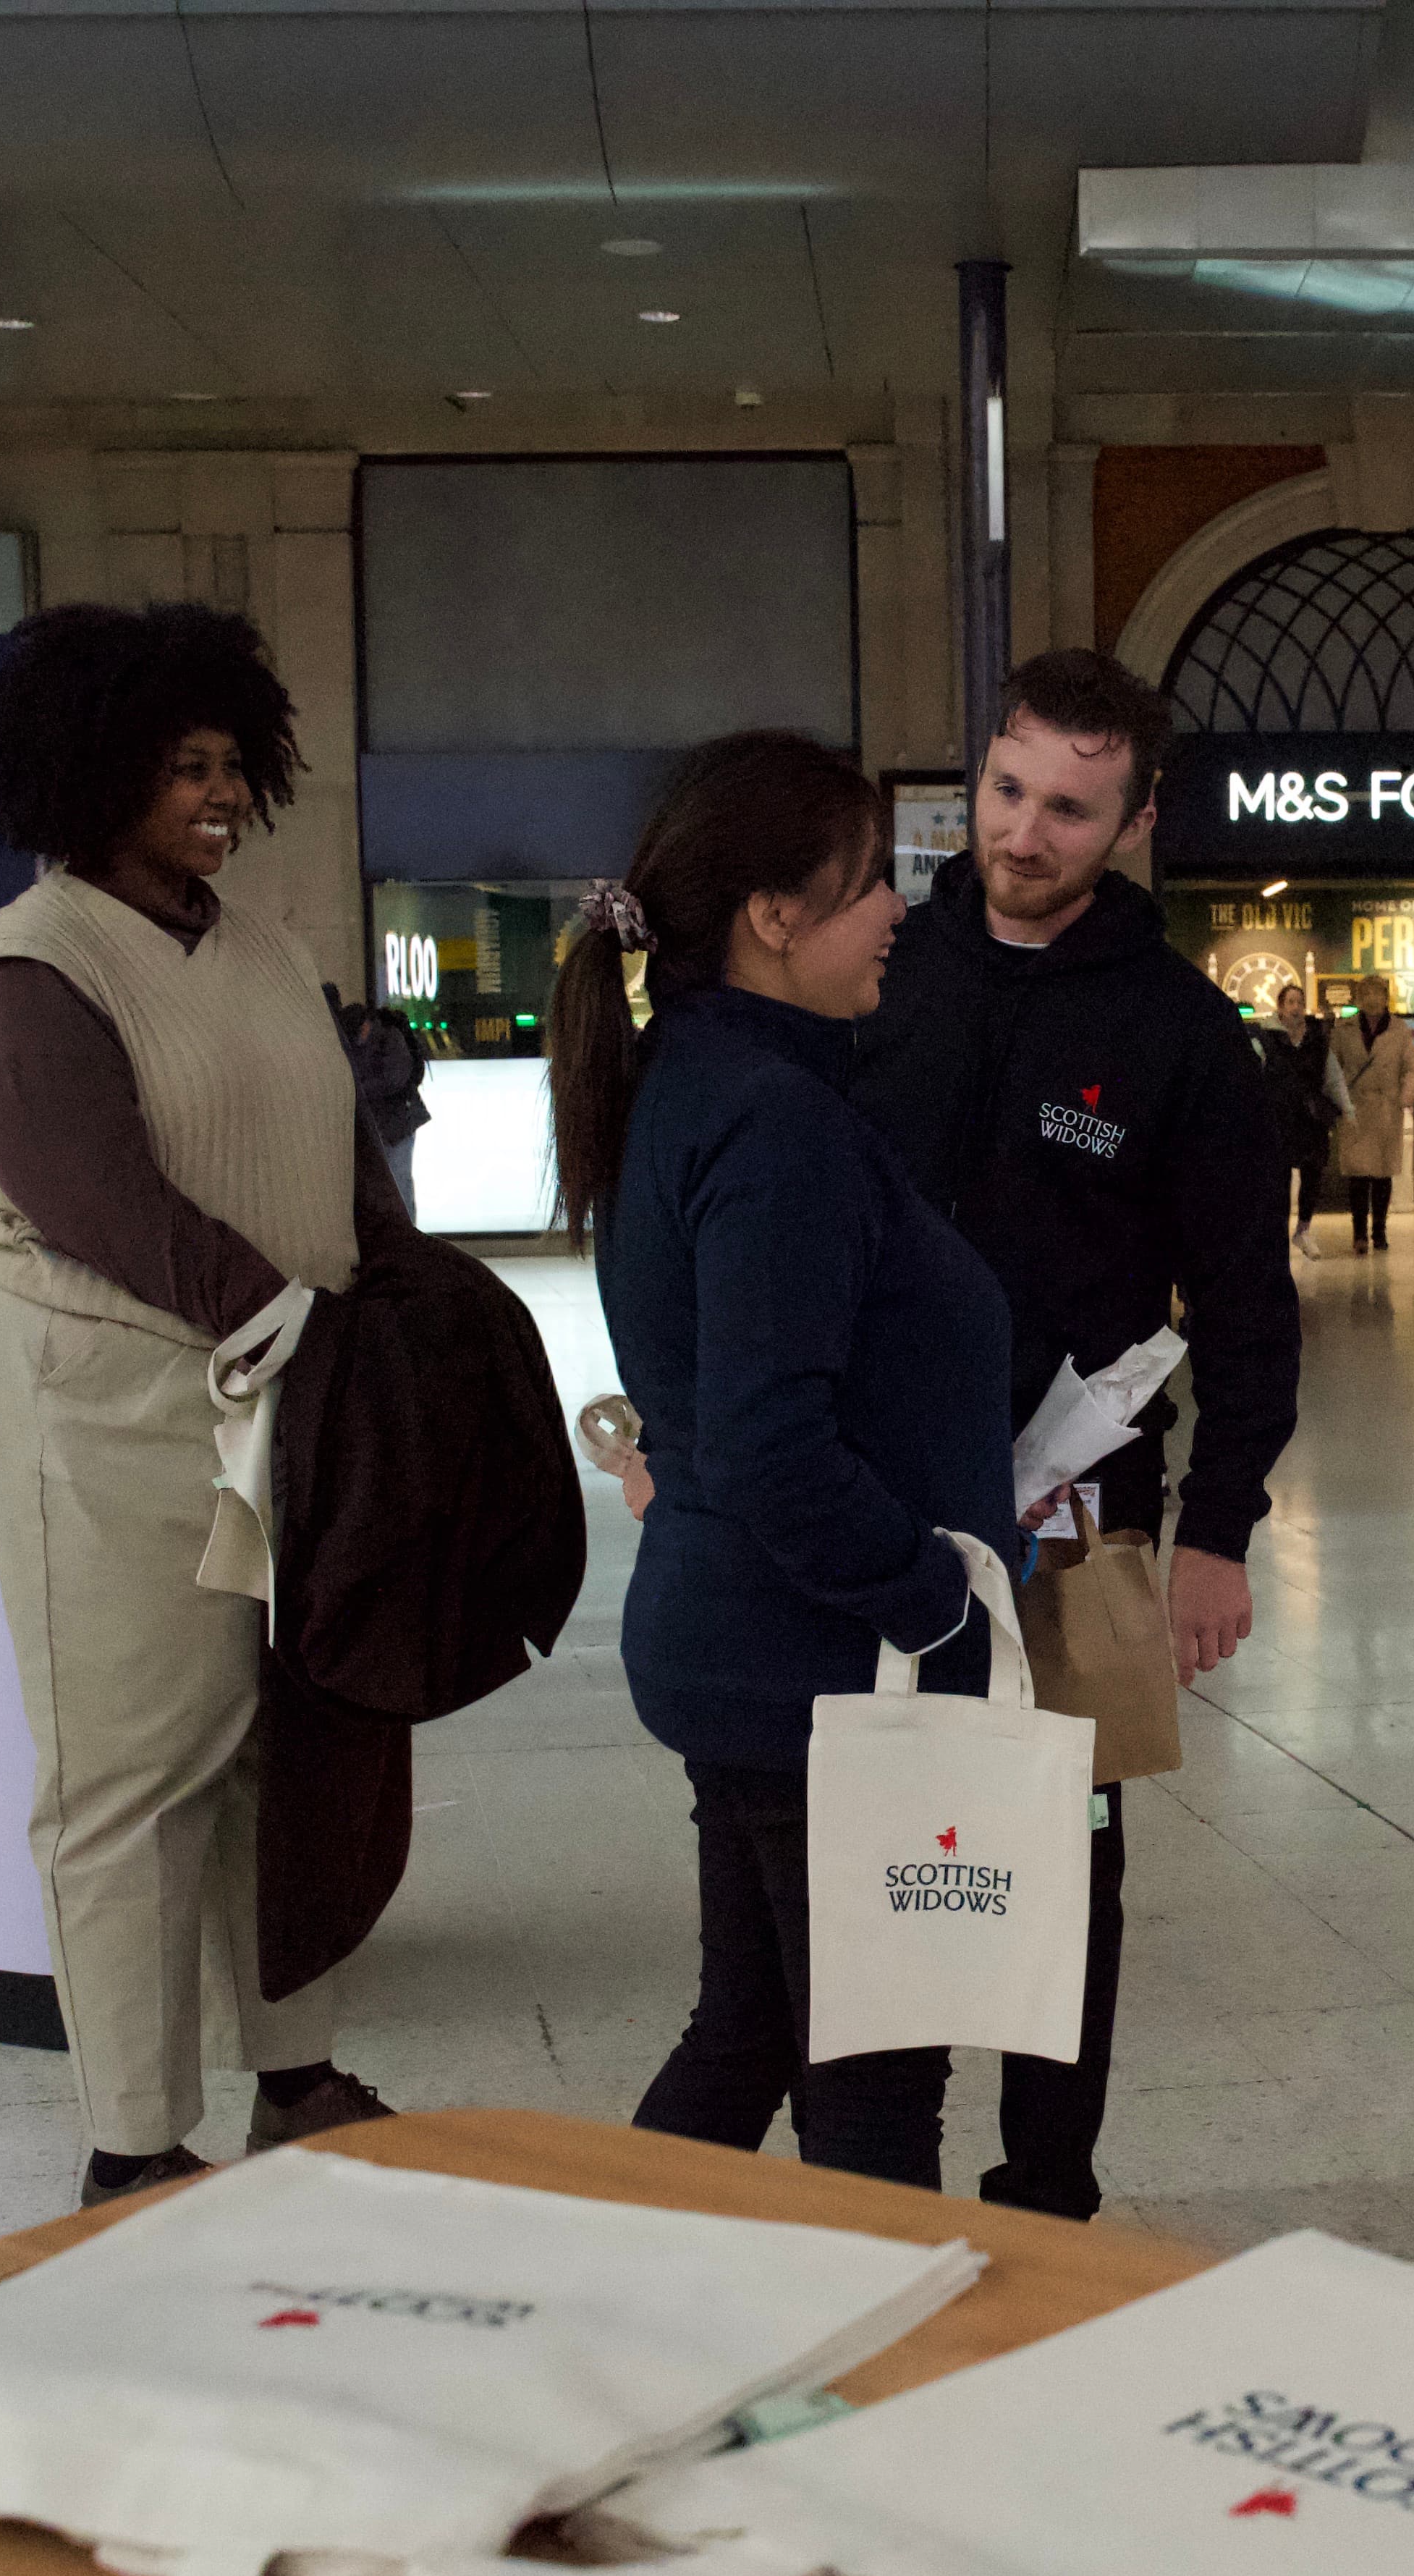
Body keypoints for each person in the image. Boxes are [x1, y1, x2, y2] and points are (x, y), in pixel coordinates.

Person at [0, 601, 411, 2205]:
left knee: (289, 1748)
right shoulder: (33, 966)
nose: (218, 796)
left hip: (285, 1403)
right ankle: (134, 2135)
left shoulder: (260, 945)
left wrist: (390, 1294)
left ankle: (297, 2071)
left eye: (230, 765)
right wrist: (285, 1312)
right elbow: (99, 1197)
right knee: (132, 1774)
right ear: (86, 774)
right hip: (108, 1407)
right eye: (180, 768)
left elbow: (335, 1151)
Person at [847, 646, 1304, 2221]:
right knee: (871, 1818)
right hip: (876, 1498)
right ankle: (883, 2173)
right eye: (1008, 789)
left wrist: (1219, 1530)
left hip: (1084, 1519)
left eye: (1070, 809)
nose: (1024, 834)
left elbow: (1250, 1302)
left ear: (1135, 822)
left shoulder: (1181, 1033)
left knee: (1071, 1854)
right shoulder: (883, 973)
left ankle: (1047, 2186)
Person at [553, 731, 1011, 2191]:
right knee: (874, 2086)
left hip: (747, 1646)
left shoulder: (693, 1081)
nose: (899, 908)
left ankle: (617, 2323)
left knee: (750, 2029)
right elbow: (767, 1437)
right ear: (773, 914)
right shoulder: (774, 1119)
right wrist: (936, 1594)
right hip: (819, 1666)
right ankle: (876, 2399)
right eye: (871, 881)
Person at [1329, 977, 1414, 1251]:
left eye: (1377, 993)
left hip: (1386, 1109)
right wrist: (1339, 1099)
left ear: (1385, 997)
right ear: (1358, 999)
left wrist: (1406, 1096)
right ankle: (1359, 1235)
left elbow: (1412, 1068)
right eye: (1366, 993)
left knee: (1382, 1174)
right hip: (1355, 1109)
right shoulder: (1343, 1030)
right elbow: (1332, 1069)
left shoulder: (1399, 1030)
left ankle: (1379, 1231)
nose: (1372, 999)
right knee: (1358, 1175)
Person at [1256, 981, 1340, 1259]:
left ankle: (1303, 1229)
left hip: (1310, 1118)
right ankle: (1278, 1234)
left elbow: (1332, 1077)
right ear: (1280, 1008)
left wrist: (1346, 1110)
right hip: (1279, 1118)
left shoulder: (1316, 1038)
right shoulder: (1266, 1038)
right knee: (1278, 1178)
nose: (1295, 1008)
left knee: (1312, 1174)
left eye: (1299, 1002)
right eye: (1290, 1002)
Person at [333, 986, 431, 1220]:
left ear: (366, 1025)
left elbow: (394, 1078)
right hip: (384, 1125)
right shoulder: (365, 1042)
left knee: (399, 1181)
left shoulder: (390, 1037)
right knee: (393, 1183)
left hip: (397, 1126)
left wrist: (359, 1089)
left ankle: (408, 1237)